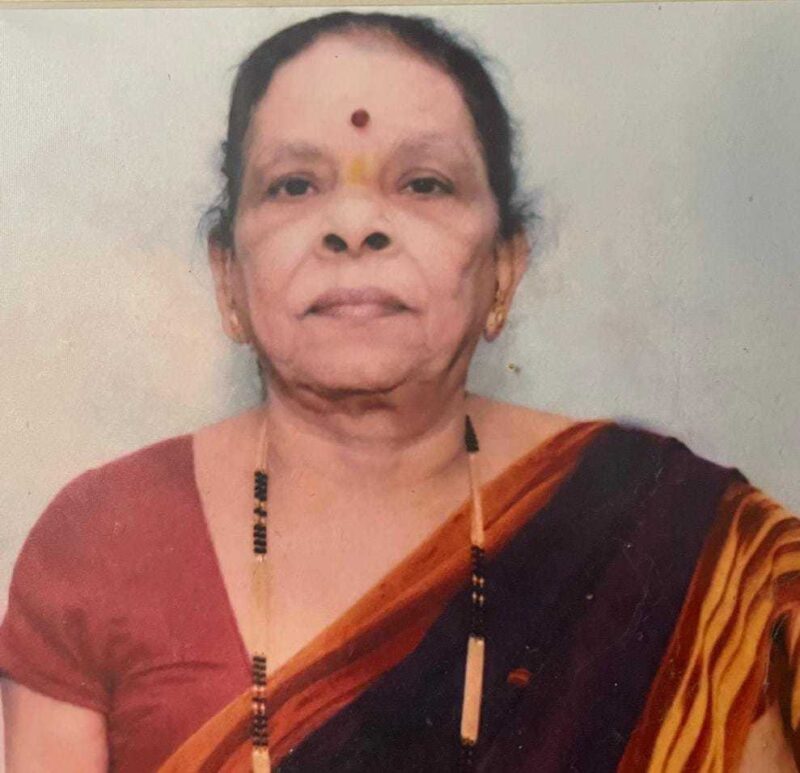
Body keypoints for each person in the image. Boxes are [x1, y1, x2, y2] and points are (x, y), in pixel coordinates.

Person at [1, 11, 798, 773]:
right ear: (228, 277)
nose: (354, 223)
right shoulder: (103, 540)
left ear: (504, 270)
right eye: (294, 185)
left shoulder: (680, 543)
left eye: (423, 183)